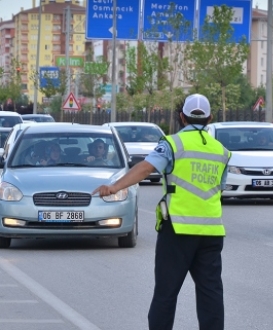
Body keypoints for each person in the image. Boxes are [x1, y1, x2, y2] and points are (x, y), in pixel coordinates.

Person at [93, 94, 231, 330]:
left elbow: (146, 168)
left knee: (166, 294)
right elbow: (219, 187)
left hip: (177, 229)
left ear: (181, 117)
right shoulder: (222, 152)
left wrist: (114, 187)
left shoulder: (172, 144)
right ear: (209, 118)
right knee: (211, 296)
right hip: (211, 232)